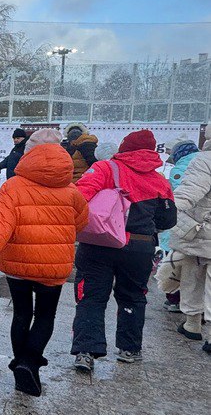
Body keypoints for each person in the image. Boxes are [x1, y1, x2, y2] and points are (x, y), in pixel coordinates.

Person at [0, 130, 87, 394]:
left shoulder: (12, 187)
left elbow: (0, 225)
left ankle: (22, 364)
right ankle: (29, 362)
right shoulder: (71, 190)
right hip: (54, 265)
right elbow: (80, 223)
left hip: (18, 262)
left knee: (21, 313)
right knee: (45, 315)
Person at [70, 130, 175, 371]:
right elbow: (168, 219)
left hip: (99, 244)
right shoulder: (160, 180)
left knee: (92, 296)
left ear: (123, 148)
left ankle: (86, 351)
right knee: (133, 297)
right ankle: (130, 349)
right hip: (139, 247)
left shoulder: (106, 168)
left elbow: (78, 197)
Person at [171, 139, 211, 353]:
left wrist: (169, 211)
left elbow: (190, 192)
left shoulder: (205, 161)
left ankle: (192, 324)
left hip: (202, 234)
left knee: (193, 278)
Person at [159, 139, 200, 312]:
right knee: (197, 268)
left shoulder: (182, 168)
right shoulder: (203, 163)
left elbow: (175, 197)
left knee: (176, 265)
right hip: (201, 225)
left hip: (183, 224)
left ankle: (175, 299)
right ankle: (198, 307)